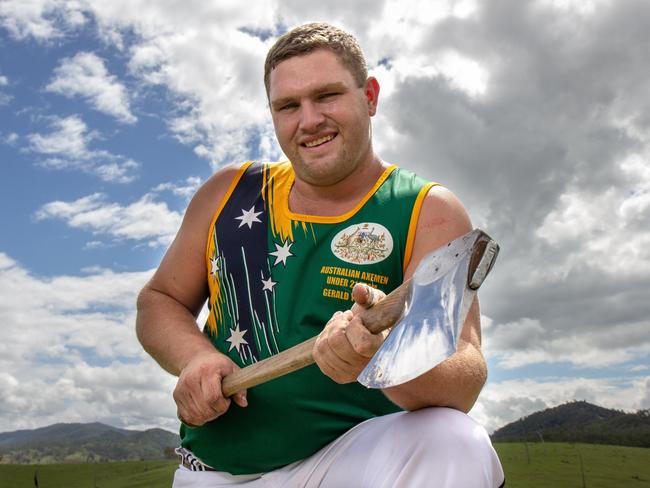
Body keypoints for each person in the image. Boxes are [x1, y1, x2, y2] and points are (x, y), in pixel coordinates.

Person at [136, 22, 505, 487]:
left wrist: (381, 356)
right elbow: (159, 300)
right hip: (215, 472)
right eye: (288, 106)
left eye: (326, 96)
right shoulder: (228, 193)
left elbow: (464, 374)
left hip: (351, 466)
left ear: (369, 96)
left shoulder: (426, 209)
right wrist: (195, 358)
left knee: (455, 440)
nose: (309, 120)